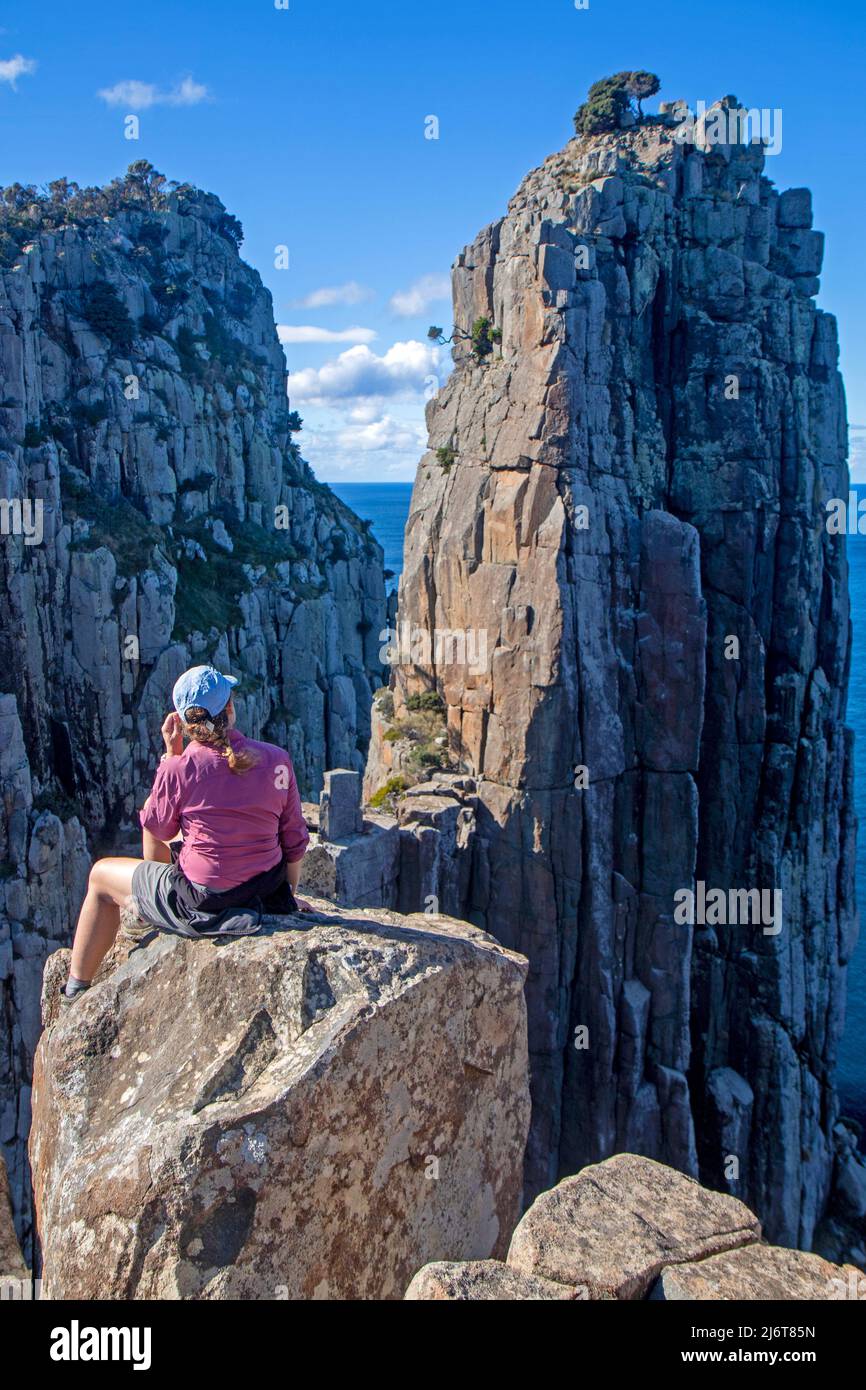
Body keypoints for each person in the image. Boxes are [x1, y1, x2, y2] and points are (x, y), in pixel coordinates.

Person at [64, 664, 310, 1000]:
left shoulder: (179, 768)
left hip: (203, 901)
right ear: (230, 708)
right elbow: (295, 840)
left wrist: (170, 757)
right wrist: (287, 895)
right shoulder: (278, 759)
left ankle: (76, 989)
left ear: (182, 722)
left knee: (99, 877)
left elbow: (158, 826)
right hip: (265, 891)